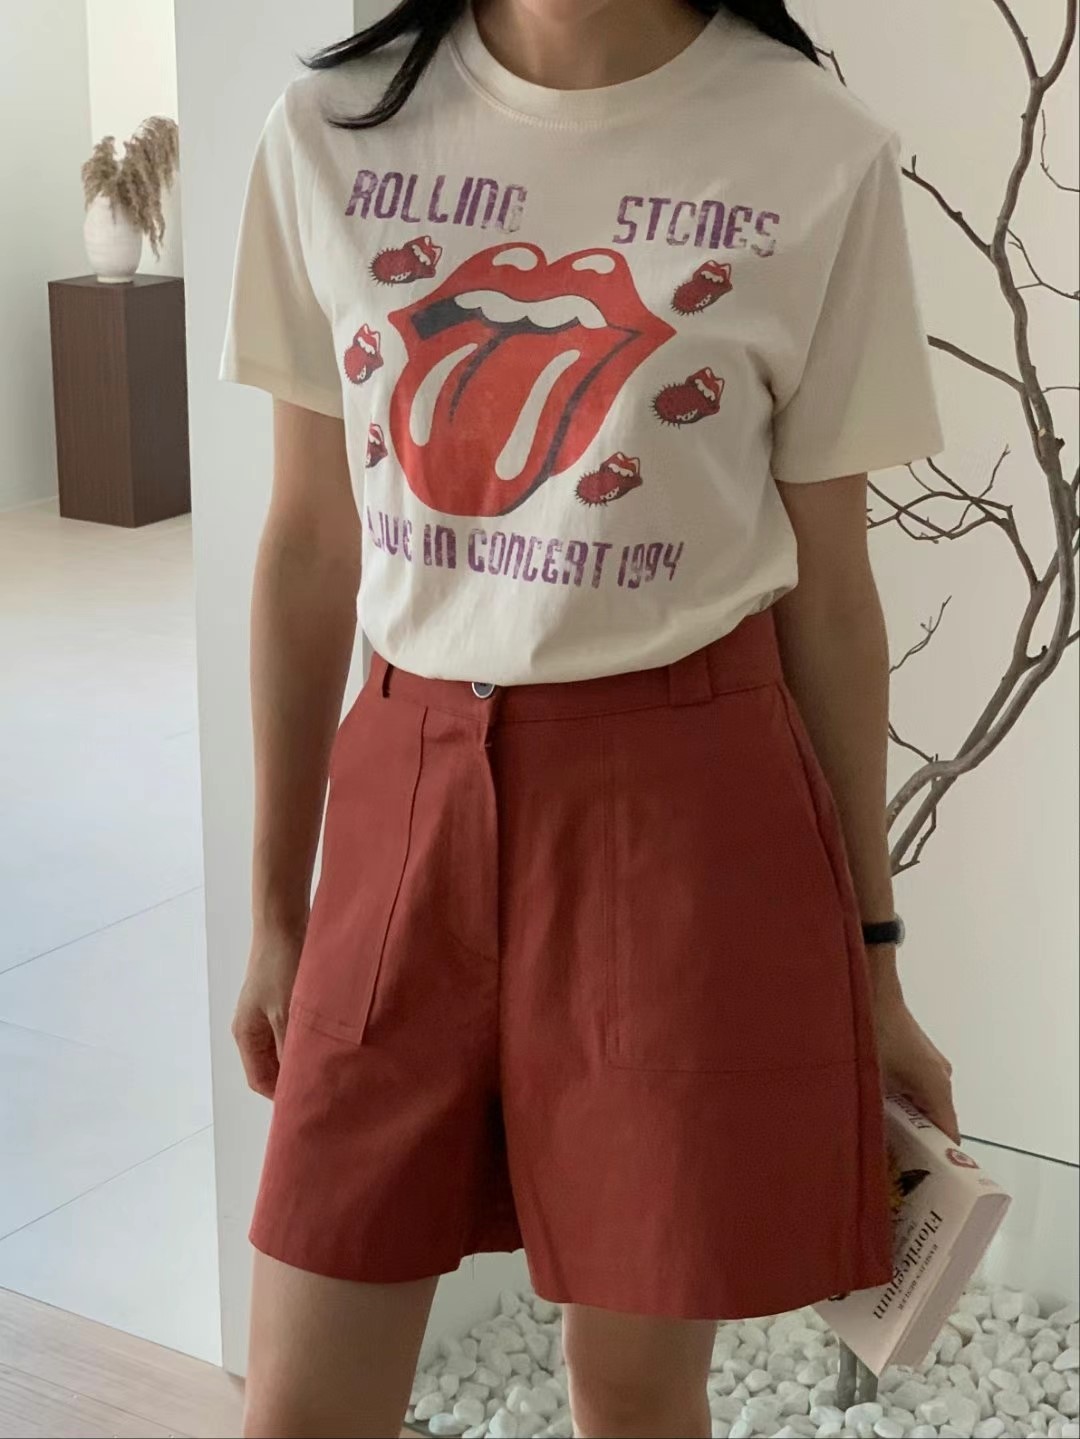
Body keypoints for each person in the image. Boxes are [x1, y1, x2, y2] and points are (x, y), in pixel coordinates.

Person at [220, 2, 961, 1434]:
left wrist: (873, 962)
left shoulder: (814, 148)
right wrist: (273, 908)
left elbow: (832, 597)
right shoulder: (331, 129)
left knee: (632, 1396)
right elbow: (309, 544)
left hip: (681, 811)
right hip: (400, 796)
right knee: (301, 1400)